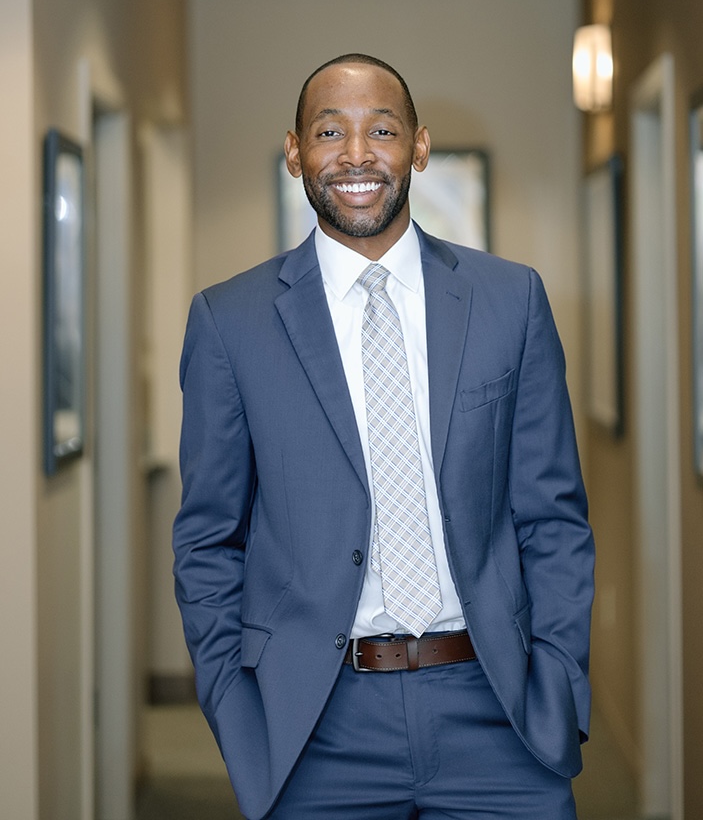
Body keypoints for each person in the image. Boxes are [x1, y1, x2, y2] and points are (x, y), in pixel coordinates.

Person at [173, 53, 595, 820]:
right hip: (313, 723)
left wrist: (559, 679)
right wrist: (236, 704)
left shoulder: (510, 301)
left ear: (420, 148)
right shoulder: (229, 323)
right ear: (295, 151)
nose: (357, 154)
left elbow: (553, 518)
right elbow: (208, 538)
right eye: (329, 131)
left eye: (383, 130)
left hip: (496, 710)